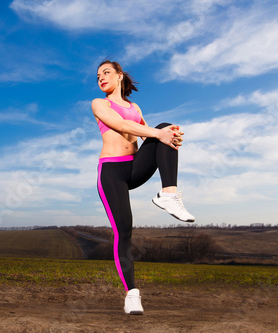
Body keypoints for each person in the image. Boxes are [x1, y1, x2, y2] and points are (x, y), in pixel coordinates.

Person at [92, 60, 195, 315]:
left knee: (163, 129)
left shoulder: (135, 106)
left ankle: (169, 194)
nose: (101, 78)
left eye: (106, 73)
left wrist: (170, 137)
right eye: (97, 76)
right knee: (124, 231)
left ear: (119, 76)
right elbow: (124, 126)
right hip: (112, 173)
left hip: (135, 167)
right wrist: (160, 135)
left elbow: (149, 134)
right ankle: (132, 294)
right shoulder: (99, 104)